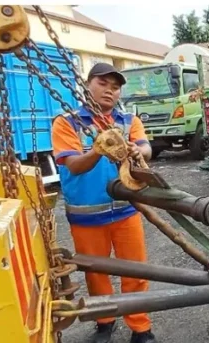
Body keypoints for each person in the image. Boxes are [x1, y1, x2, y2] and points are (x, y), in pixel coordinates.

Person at [51, 63, 157, 343]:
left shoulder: (128, 121)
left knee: (136, 269)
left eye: (115, 86)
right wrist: (98, 150)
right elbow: (73, 165)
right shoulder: (67, 122)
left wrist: (138, 149)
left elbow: (146, 146)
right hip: (87, 215)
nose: (110, 90)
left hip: (126, 210)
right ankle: (104, 321)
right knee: (97, 273)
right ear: (88, 84)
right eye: (103, 83)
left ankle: (140, 327)